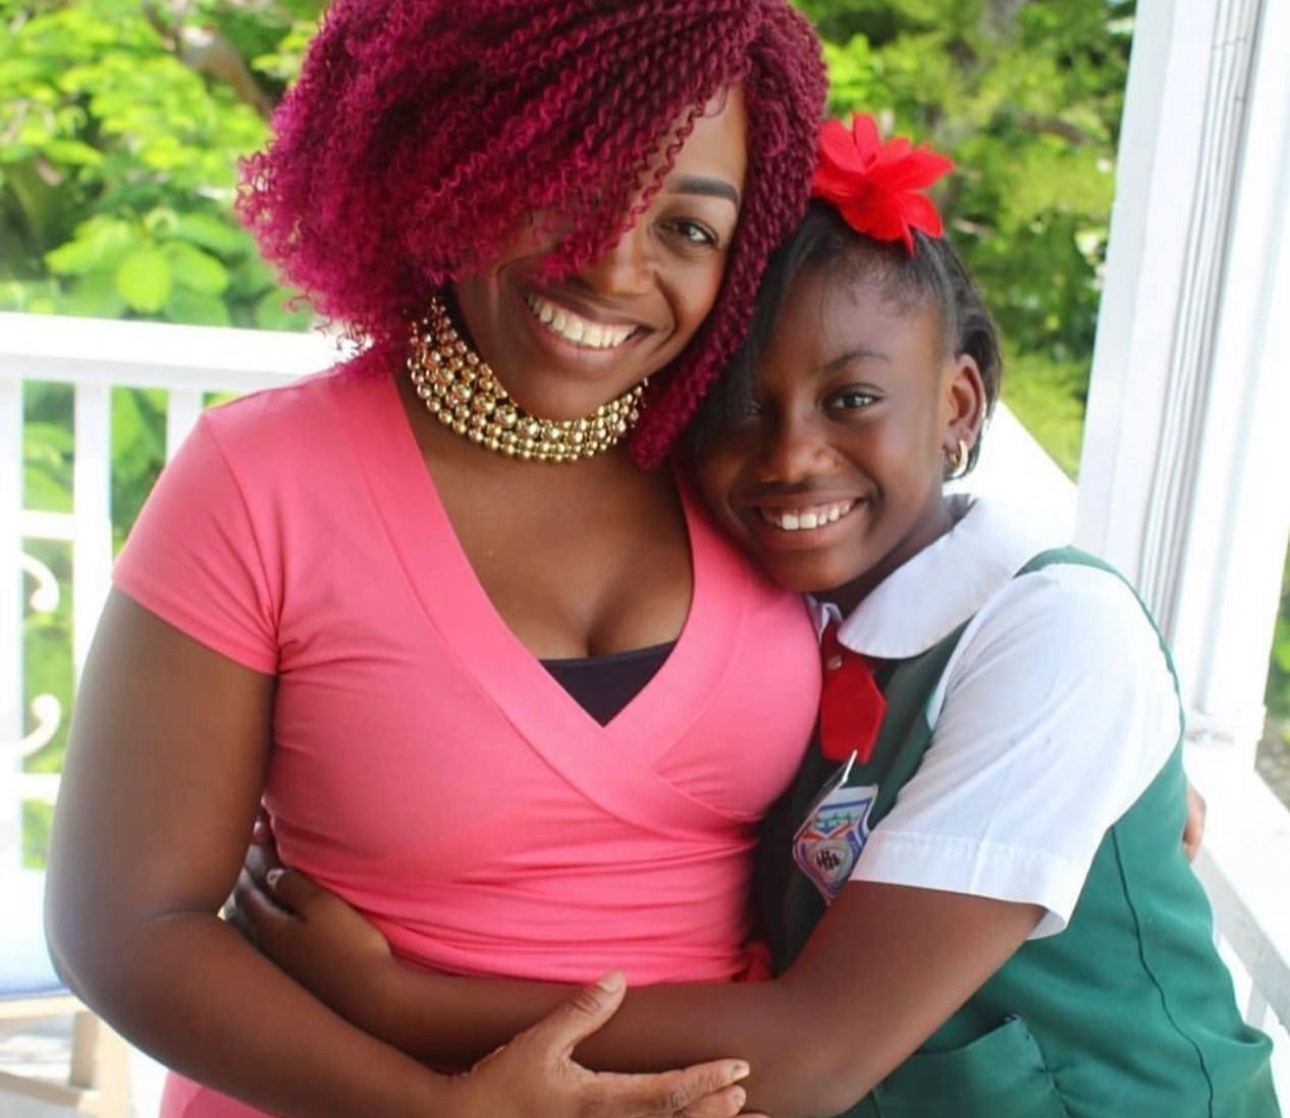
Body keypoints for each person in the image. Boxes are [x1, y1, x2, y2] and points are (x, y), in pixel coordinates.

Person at [236, 115, 1280, 1117]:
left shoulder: (1058, 638)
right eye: (740, 403)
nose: (790, 456)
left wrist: (393, 1000)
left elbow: (816, 1051)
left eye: (853, 400)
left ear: (958, 405)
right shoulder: (786, 611)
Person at [43, 0, 829, 1118]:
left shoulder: (754, 472)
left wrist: (1116, 778)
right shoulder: (264, 480)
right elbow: (125, 926)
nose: (614, 268)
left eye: (688, 227)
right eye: (578, 180)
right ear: (452, 152)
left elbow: (951, 644)